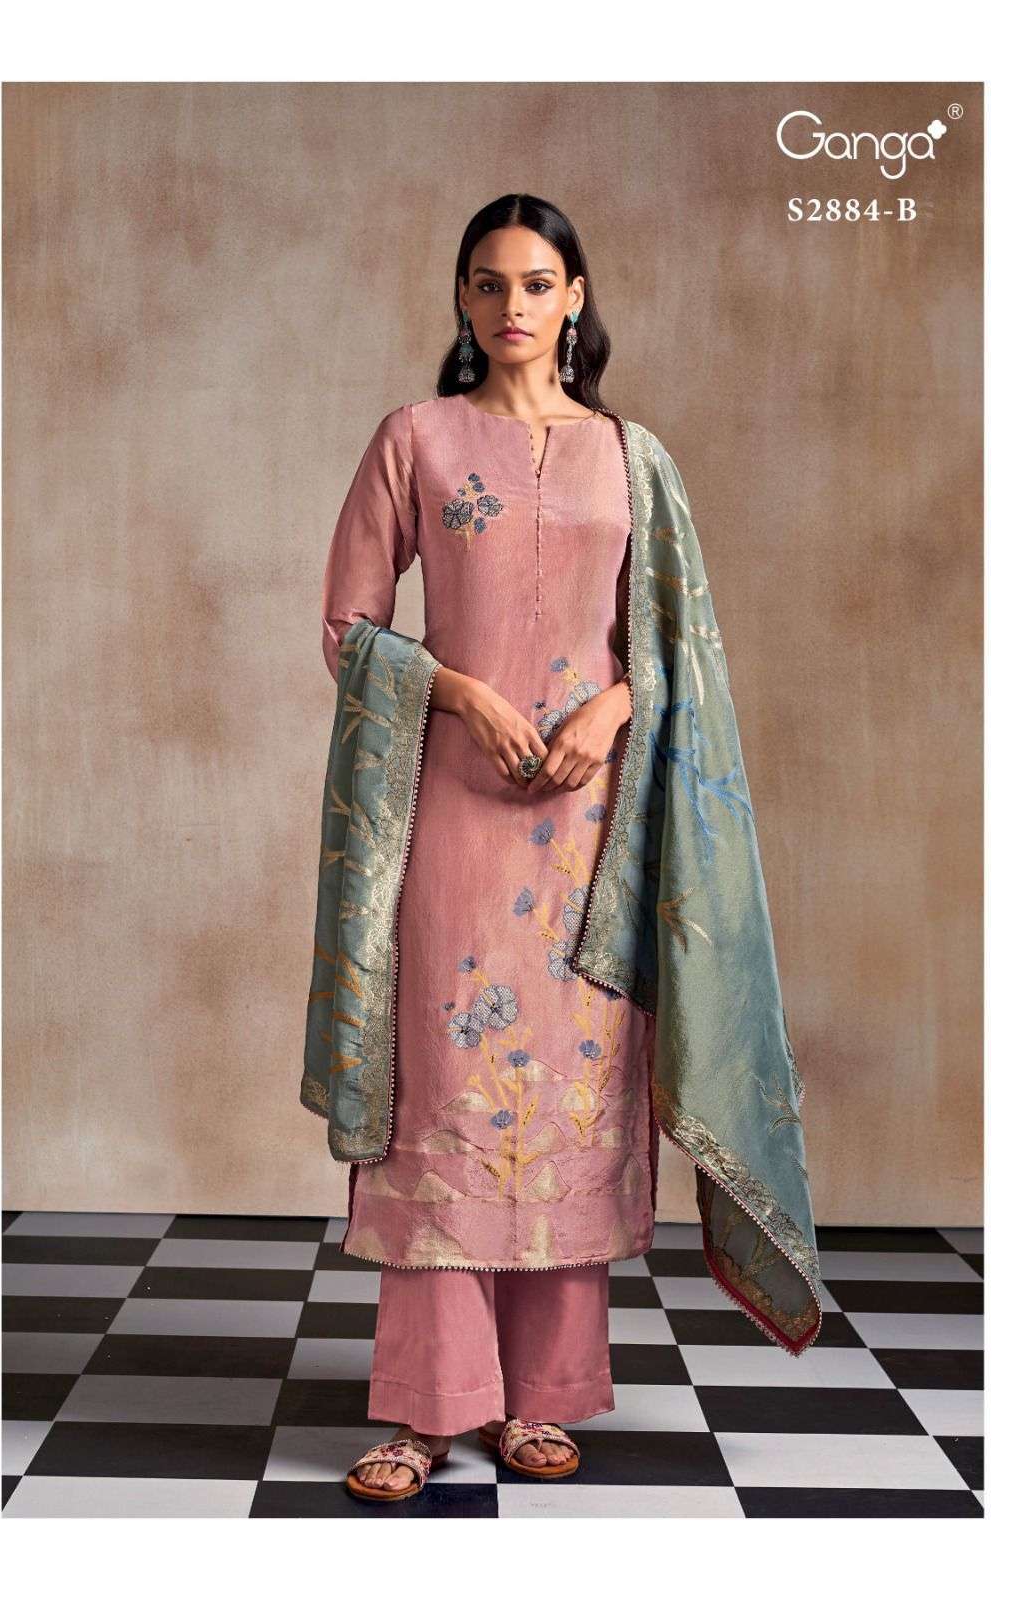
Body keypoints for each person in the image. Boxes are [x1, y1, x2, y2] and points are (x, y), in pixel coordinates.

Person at [305, 193, 819, 1503]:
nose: (512, 306)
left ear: (575, 296)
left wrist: (616, 705)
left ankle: (542, 1398)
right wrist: (458, 694)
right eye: (488, 284)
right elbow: (350, 627)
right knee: (446, 1100)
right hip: (452, 824)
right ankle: (425, 1409)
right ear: (462, 300)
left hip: (595, 839)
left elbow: (680, 650)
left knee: (570, 1104)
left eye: (537, 283)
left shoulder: (634, 460)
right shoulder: (416, 440)